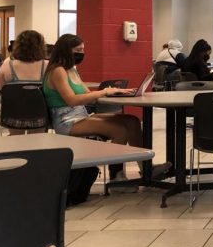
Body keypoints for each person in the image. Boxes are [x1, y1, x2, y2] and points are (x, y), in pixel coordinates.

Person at [42, 33, 143, 183]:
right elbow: (71, 100)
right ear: (65, 50)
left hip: (80, 115)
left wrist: (112, 92)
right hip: (67, 121)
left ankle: (147, 168)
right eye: (78, 50)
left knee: (132, 121)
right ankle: (117, 177)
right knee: (120, 130)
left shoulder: (72, 70)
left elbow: (88, 94)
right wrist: (103, 92)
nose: (81, 53)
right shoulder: (58, 71)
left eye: (83, 50)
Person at [0, 29, 49, 133]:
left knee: (16, 140)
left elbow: (2, 89)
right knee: (37, 140)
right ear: (41, 47)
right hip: (40, 116)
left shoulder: (7, 64)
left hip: (12, 116)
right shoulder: (48, 66)